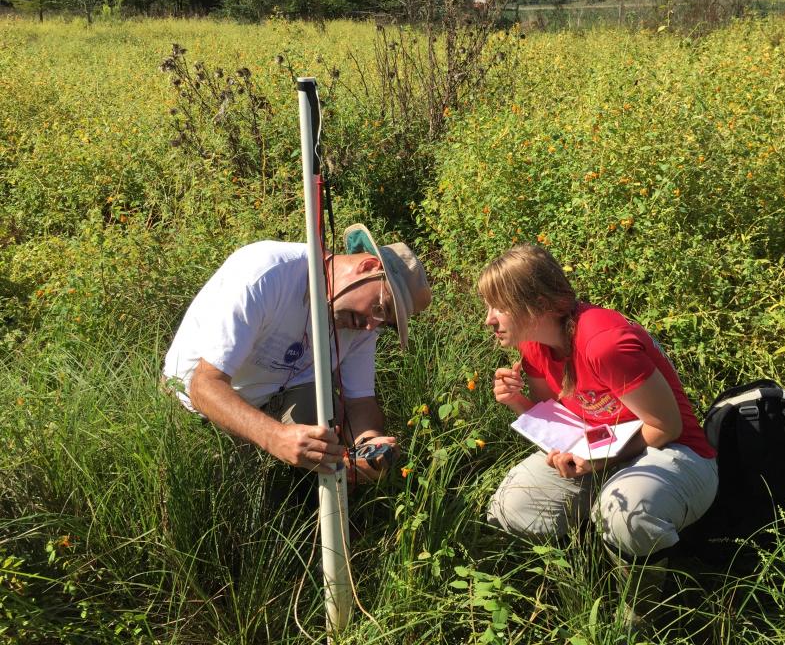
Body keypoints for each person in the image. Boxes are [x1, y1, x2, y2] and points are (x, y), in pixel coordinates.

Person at [479, 244, 717, 565]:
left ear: (537, 305)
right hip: (600, 450)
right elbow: (563, 425)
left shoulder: (603, 343)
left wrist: (595, 458)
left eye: (498, 307)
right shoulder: (535, 345)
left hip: (673, 451)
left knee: (626, 513)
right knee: (511, 506)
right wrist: (518, 402)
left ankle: (640, 606)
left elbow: (665, 426)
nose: (488, 320)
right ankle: (580, 569)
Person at [163, 223, 431, 494]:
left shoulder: (361, 323)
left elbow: (359, 402)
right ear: (367, 267)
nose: (372, 326)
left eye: (387, 323)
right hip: (200, 405)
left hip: (276, 396)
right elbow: (204, 385)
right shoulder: (267, 273)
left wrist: (367, 444)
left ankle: (330, 519)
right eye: (381, 308)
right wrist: (275, 438)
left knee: (330, 431)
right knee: (228, 495)